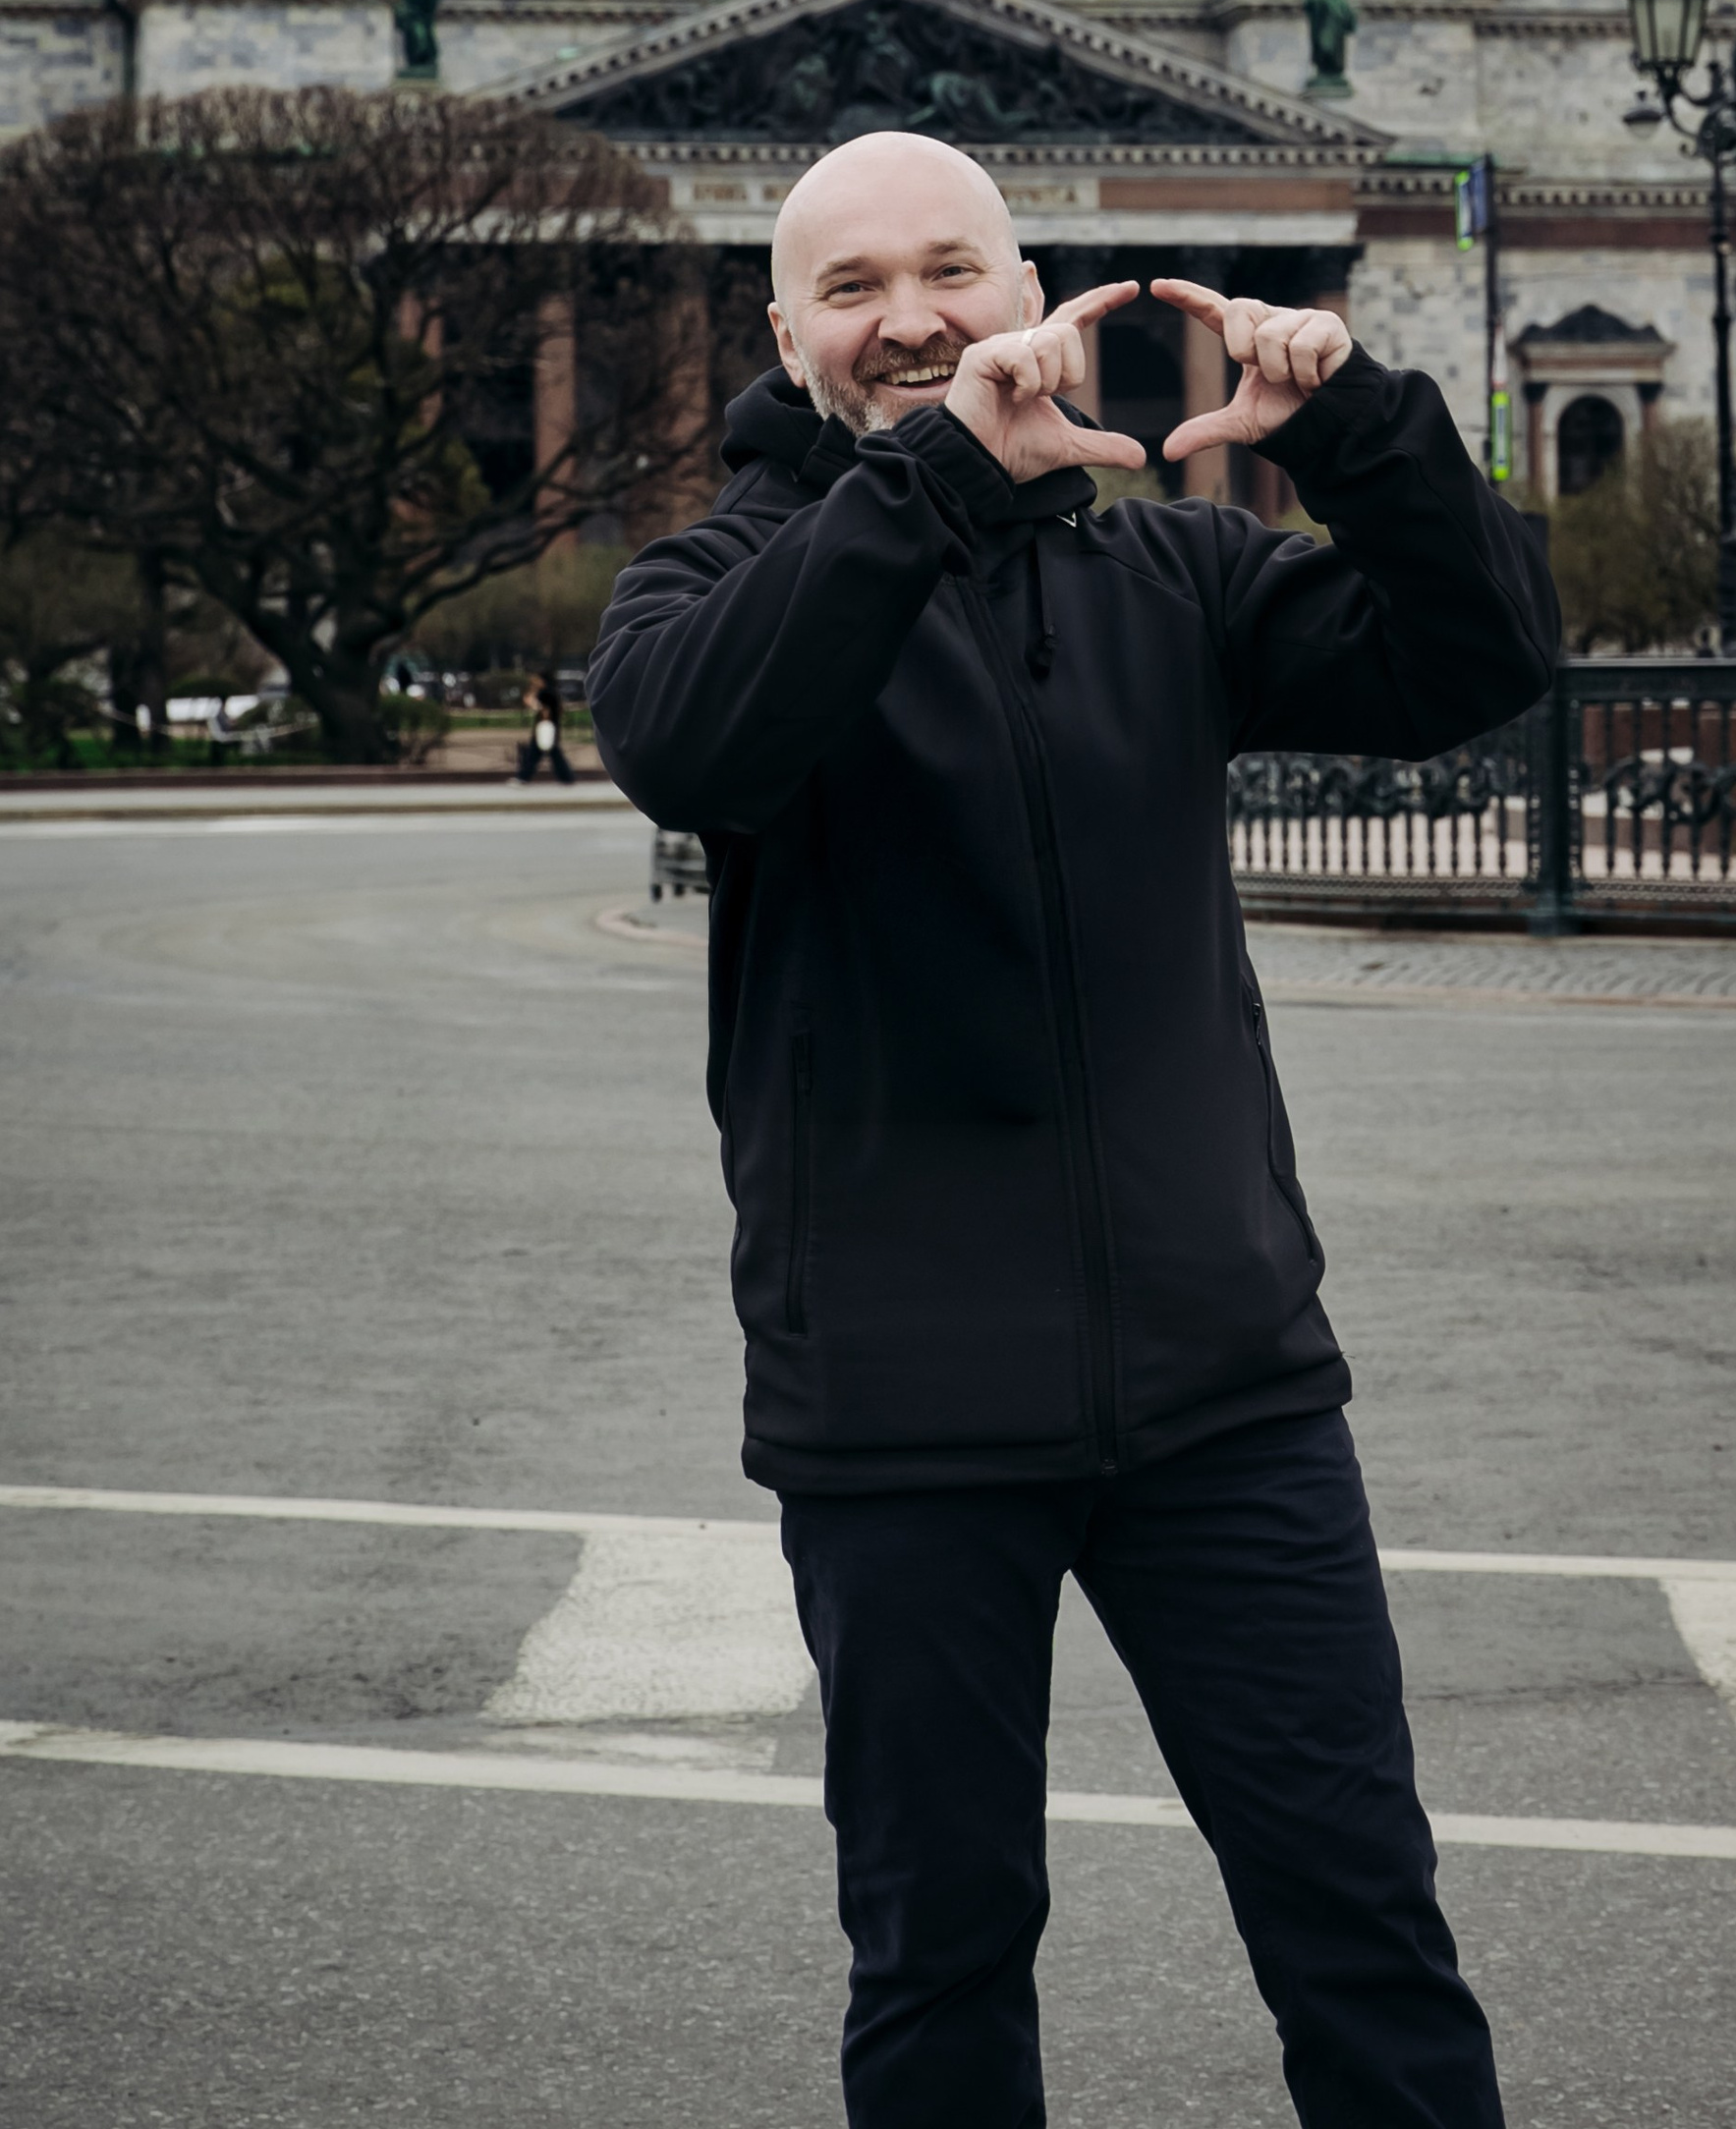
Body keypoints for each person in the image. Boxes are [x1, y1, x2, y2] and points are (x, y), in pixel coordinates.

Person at [588, 131, 1557, 2129]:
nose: (911, 318)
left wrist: (1358, 432)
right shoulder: (708, 586)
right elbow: (696, 747)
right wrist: (935, 479)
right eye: (851, 290)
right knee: (938, 1969)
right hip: (902, 1418)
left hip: (1226, 1399)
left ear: (1025, 290)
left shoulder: (1175, 573)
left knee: (1364, 1932)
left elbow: (1481, 662)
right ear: (782, 337)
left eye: (948, 270)